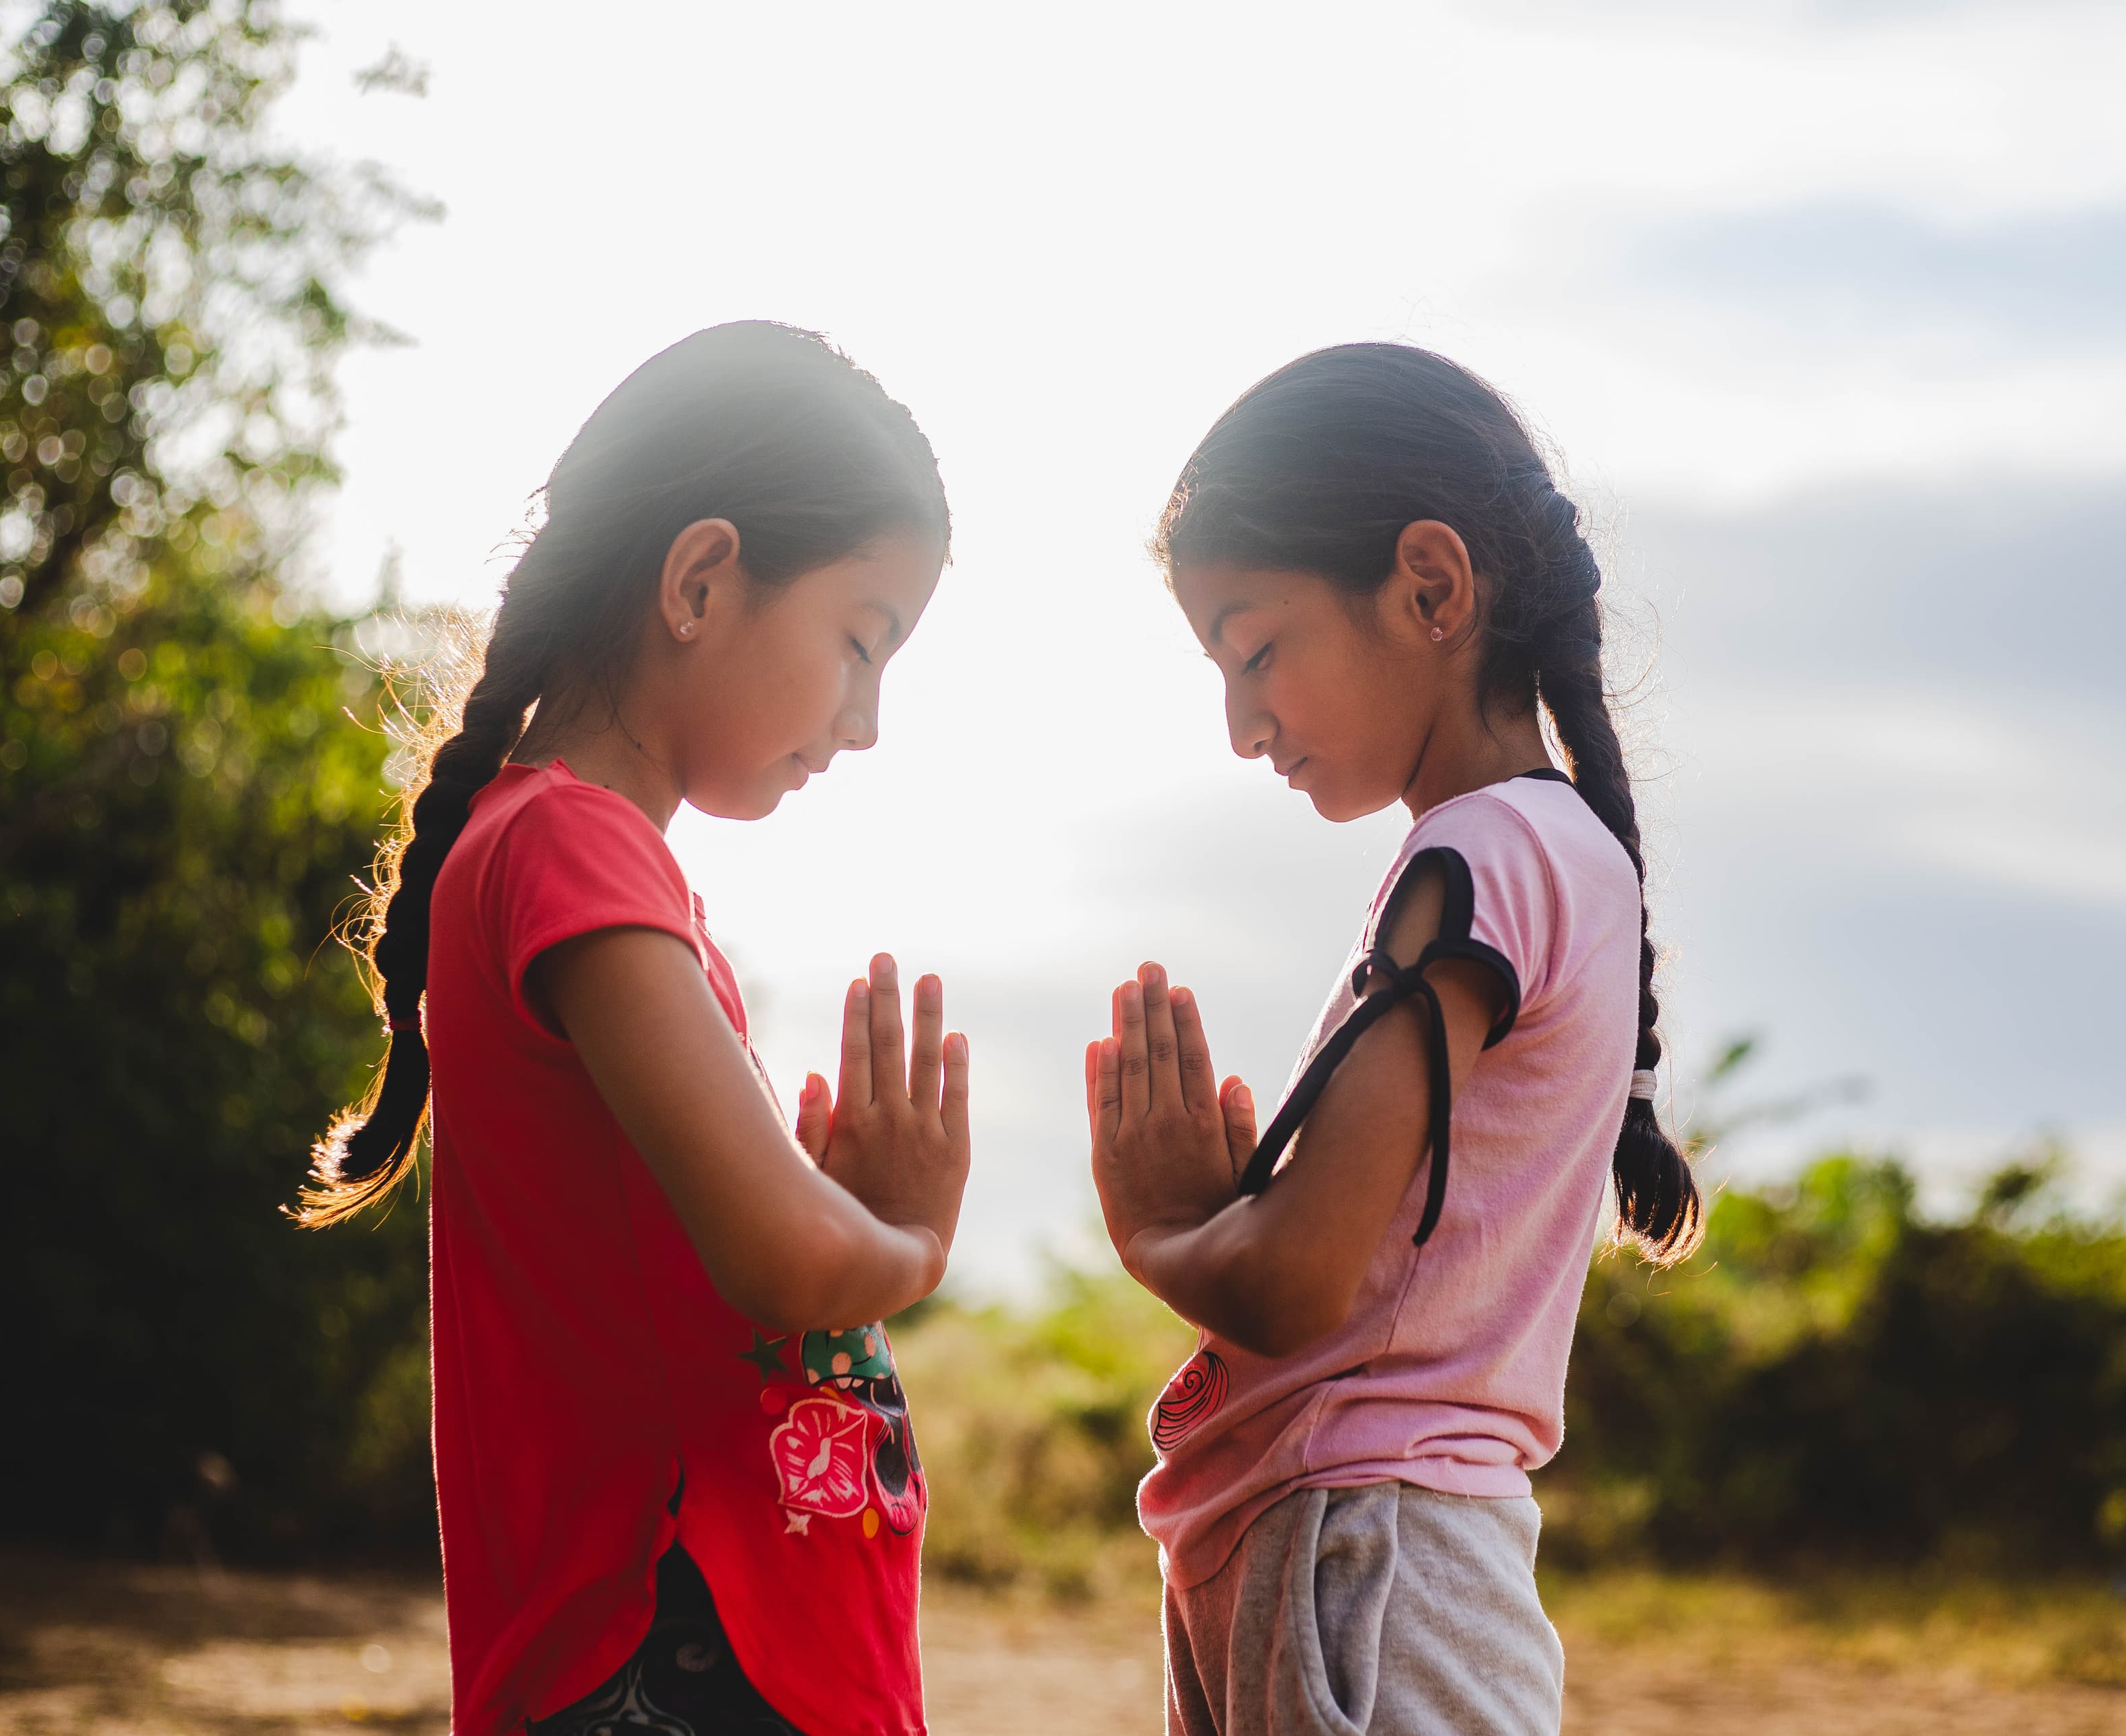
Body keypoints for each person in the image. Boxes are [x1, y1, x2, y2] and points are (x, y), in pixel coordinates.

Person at [295, 322, 967, 1736]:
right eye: (861, 640)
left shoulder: (566, 858)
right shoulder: (570, 855)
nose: (868, 722)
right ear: (701, 579)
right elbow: (785, 1256)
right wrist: (900, 1235)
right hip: (678, 1663)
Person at [1087, 343, 1704, 1736]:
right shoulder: (1566, 855)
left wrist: (1166, 1228)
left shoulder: (1474, 856)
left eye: (1256, 651)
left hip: (1365, 1552)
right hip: (1394, 1548)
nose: (1244, 724)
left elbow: (1305, 1274)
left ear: (1431, 587)